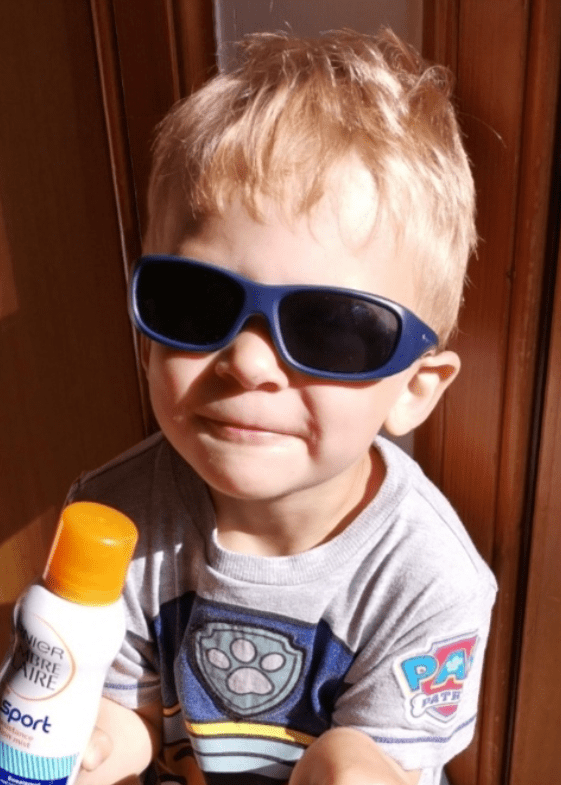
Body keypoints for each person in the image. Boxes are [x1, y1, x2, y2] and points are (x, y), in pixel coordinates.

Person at [72, 27, 497, 785]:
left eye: (330, 327)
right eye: (197, 303)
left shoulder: (430, 577)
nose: (247, 361)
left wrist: (351, 764)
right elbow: (123, 708)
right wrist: (86, 743)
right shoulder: (116, 515)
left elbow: (388, 760)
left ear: (414, 387)